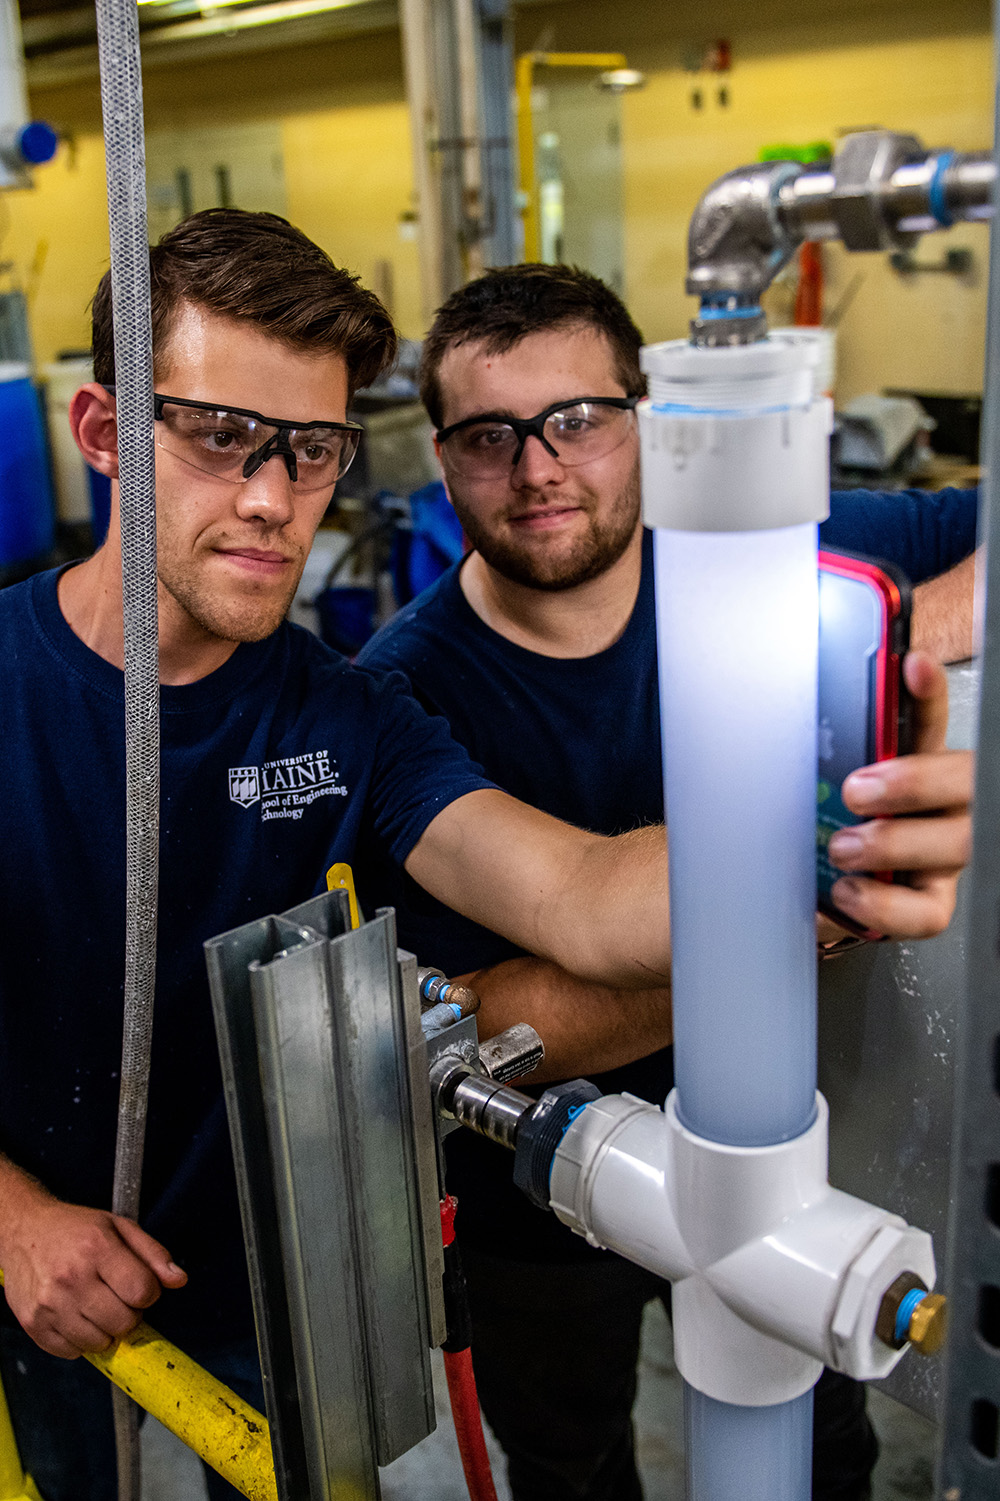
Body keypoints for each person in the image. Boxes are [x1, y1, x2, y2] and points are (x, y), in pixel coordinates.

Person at [0, 211, 692, 1501]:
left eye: (311, 450)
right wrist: (14, 1220)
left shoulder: (351, 715)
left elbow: (583, 897)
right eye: (219, 437)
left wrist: (819, 846)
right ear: (104, 434)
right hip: (20, 1273)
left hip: (273, 1288)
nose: (274, 498)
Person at [358, 262, 977, 1501]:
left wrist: (918, 640)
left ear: (648, 417)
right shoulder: (400, 691)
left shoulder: (783, 555)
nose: (539, 469)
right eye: (491, 436)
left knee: (818, 1438)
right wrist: (805, 907)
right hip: (543, 1184)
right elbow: (488, 1033)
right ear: (440, 459)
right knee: (572, 1461)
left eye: (578, 418)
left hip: (780, 1141)